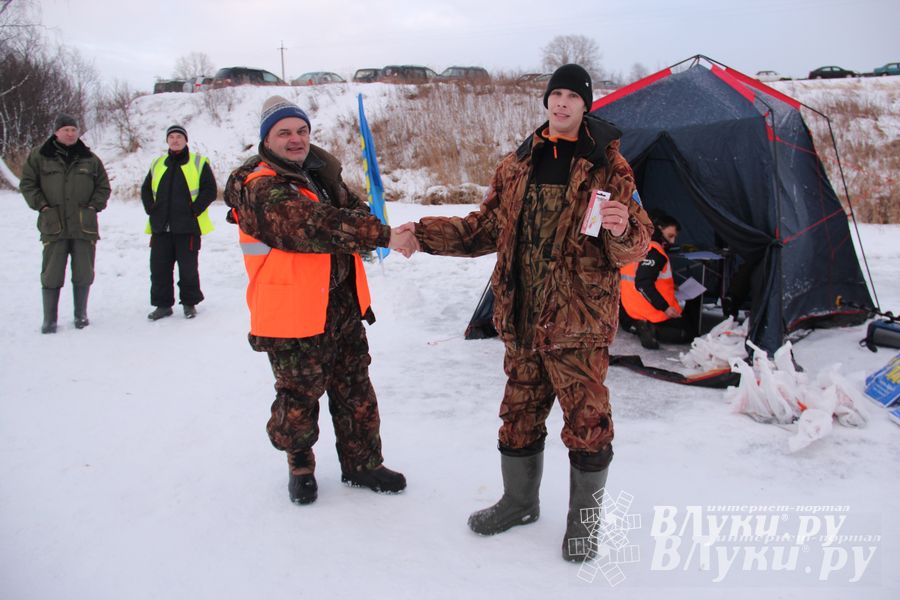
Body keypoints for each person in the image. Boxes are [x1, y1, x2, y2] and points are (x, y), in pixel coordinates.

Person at [394, 64, 653, 561]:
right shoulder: (516, 165)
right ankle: (518, 503)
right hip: (522, 322)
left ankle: (584, 525)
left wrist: (624, 230)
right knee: (517, 418)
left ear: (586, 104)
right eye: (555, 94)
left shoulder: (610, 169)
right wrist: (421, 234)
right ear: (546, 102)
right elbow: (482, 229)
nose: (561, 104)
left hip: (577, 325)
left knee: (588, 424)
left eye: (571, 97)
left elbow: (634, 244)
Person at [223, 96, 414, 505]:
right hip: (291, 311)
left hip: (341, 305)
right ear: (267, 139)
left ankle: (362, 464)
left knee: (355, 389)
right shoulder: (257, 185)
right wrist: (382, 237)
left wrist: (373, 226)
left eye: (302, 131)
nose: (296, 139)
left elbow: (354, 208)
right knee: (299, 396)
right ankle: (301, 466)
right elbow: (308, 224)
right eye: (285, 132)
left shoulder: (320, 175)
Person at [19, 114, 111, 334]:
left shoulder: (89, 158)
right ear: (56, 132)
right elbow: (28, 184)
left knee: (84, 272)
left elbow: (103, 187)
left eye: (73, 129)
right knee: (51, 273)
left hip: (83, 226)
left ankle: (81, 315)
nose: (70, 133)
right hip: (54, 224)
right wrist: (42, 206)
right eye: (66, 130)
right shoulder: (40, 157)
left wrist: (93, 207)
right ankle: (49, 319)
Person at [141, 125, 217, 320]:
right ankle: (162, 305)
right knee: (159, 268)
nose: (175, 140)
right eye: (172, 137)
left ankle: (189, 304)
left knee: (188, 268)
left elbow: (210, 190)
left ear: (185, 140)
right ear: (167, 141)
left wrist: (194, 209)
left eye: (179, 137)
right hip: (161, 228)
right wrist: (151, 208)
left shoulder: (198, 162)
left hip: (188, 227)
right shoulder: (158, 163)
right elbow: (146, 189)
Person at [620, 213, 700, 349]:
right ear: (658, 229)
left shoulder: (634, 246)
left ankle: (638, 326)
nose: (673, 242)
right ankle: (652, 330)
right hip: (651, 312)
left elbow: (636, 276)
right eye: (670, 236)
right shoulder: (655, 252)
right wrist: (665, 308)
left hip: (629, 313)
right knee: (690, 333)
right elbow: (642, 283)